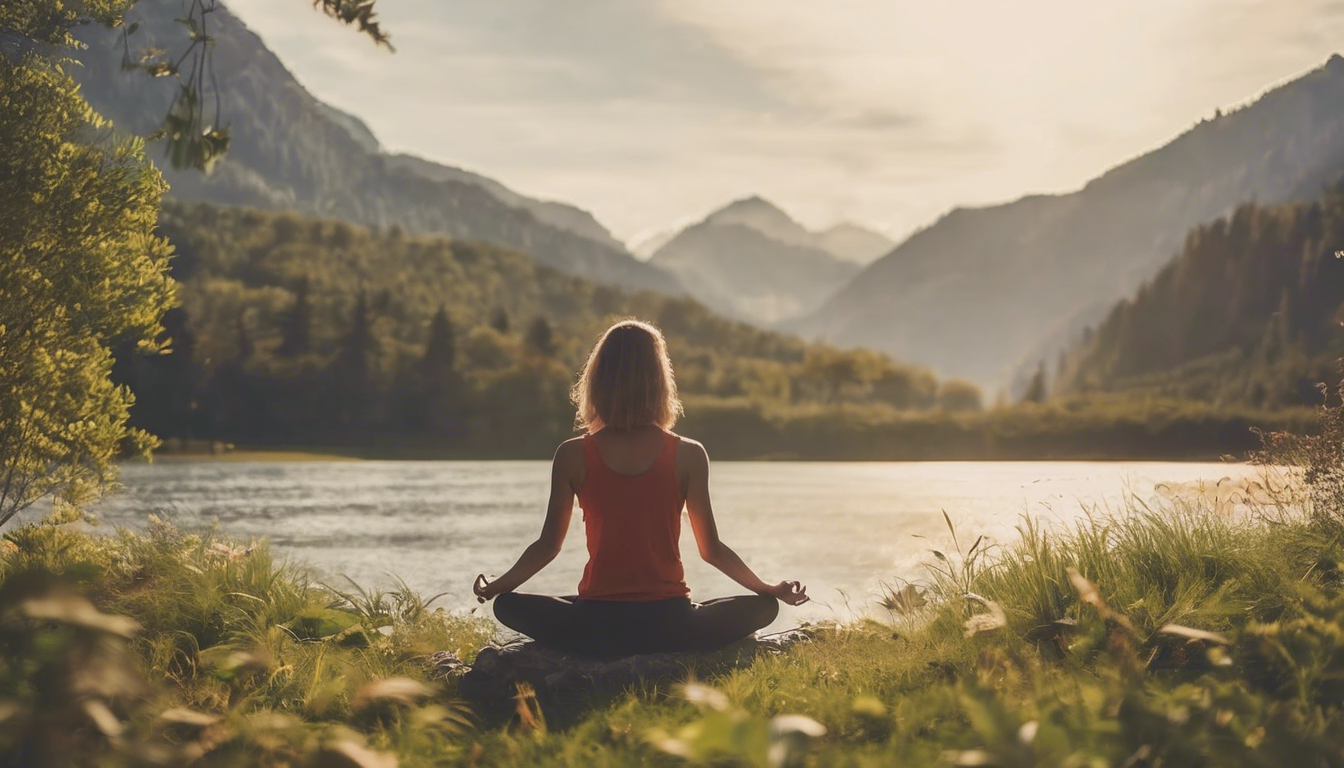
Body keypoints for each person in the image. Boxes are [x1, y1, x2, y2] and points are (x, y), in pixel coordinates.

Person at [472, 319, 808, 657]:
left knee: (508, 606)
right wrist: (768, 588)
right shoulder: (689, 454)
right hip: (670, 624)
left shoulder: (572, 454)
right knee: (764, 608)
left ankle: (598, 640)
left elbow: (548, 547)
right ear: (660, 382)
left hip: (597, 624)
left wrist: (497, 587)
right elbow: (712, 551)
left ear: (598, 381)